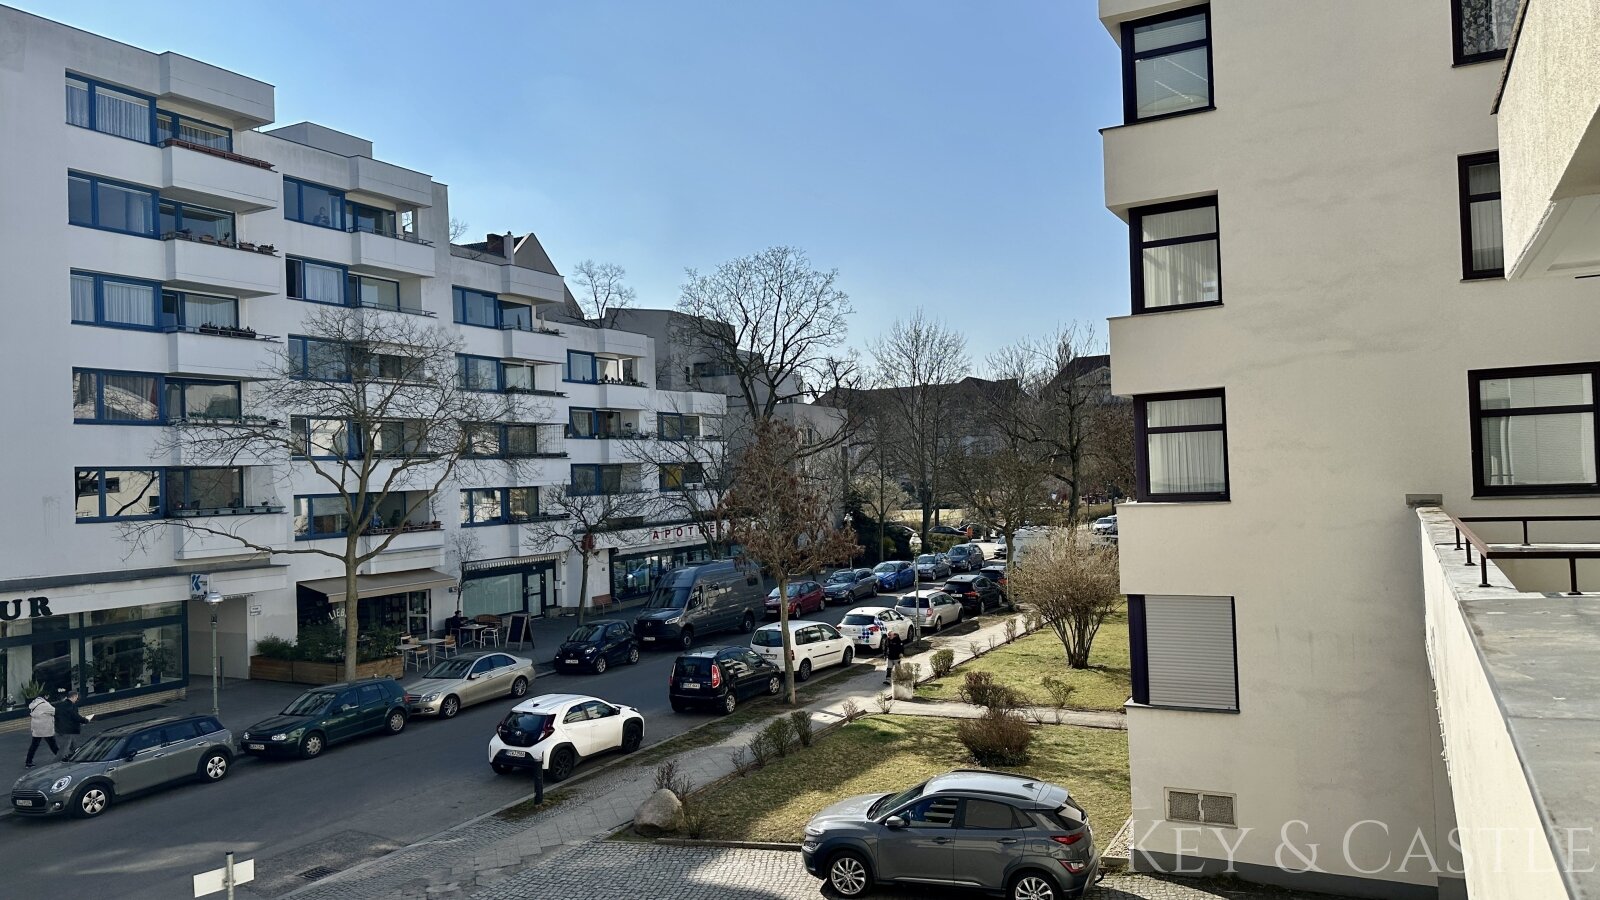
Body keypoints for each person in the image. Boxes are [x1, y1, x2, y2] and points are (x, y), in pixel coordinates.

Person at [53, 688, 93, 757]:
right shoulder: (71, 706)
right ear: (73, 697)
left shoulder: (60, 705)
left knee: (74, 746)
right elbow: (76, 716)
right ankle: (57, 764)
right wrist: (86, 720)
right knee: (63, 750)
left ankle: (78, 756)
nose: (77, 699)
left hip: (61, 729)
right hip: (67, 730)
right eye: (76, 698)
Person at [24, 692, 59, 768]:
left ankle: (28, 762)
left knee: (34, 745)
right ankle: (61, 758)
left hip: (36, 728)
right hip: (45, 728)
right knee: (53, 745)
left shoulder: (35, 702)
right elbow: (55, 711)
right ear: (45, 696)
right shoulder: (45, 705)